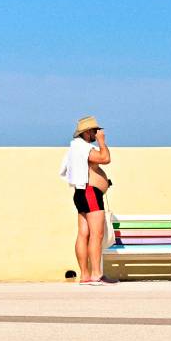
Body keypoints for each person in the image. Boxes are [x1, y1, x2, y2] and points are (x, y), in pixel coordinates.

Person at [59, 116, 118, 285]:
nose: (96, 133)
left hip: (81, 192)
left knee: (83, 234)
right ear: (86, 133)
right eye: (94, 131)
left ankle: (85, 275)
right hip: (91, 193)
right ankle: (96, 274)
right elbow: (105, 158)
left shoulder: (75, 150)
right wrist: (101, 141)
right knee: (96, 234)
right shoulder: (84, 149)